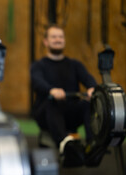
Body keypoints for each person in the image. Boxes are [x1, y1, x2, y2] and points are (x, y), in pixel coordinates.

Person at [30, 25, 97, 167]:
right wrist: (51, 90)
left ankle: (93, 145)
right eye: (54, 37)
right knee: (52, 103)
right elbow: (37, 82)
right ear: (46, 42)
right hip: (47, 114)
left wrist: (91, 88)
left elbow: (88, 79)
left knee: (88, 104)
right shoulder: (38, 66)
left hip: (71, 114)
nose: (58, 39)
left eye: (60, 37)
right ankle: (65, 146)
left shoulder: (75, 65)